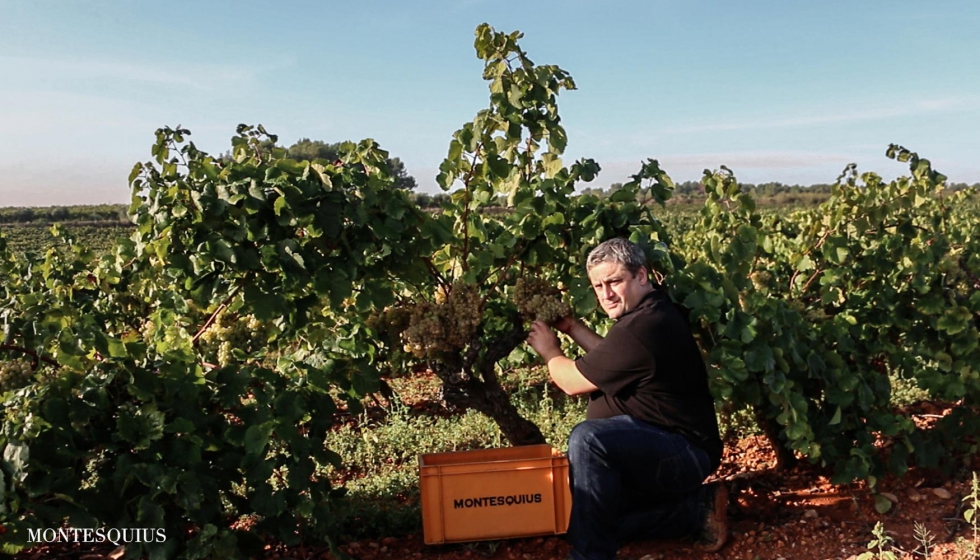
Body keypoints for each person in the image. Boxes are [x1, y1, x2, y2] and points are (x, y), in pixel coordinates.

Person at [526, 238, 727, 560]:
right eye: (598, 286)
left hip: (681, 454)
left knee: (589, 439)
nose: (606, 294)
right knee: (586, 521)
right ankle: (694, 509)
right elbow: (610, 357)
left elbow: (571, 382)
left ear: (641, 276)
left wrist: (550, 350)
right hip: (660, 450)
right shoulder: (649, 314)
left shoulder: (644, 327)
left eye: (614, 281)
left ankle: (592, 556)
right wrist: (572, 327)